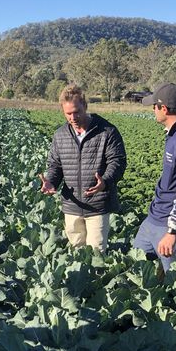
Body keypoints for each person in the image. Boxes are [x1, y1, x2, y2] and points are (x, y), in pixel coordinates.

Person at [40, 84, 127, 252]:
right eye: (68, 113)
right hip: (71, 205)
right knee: (76, 251)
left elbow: (117, 161)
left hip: (98, 204)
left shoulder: (107, 131)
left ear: (85, 107)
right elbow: (55, 165)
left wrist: (106, 181)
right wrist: (51, 181)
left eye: (76, 112)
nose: (73, 117)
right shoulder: (60, 135)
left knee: (96, 252)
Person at [134, 82, 176, 272]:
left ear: (164, 108)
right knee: (136, 268)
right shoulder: (175, 132)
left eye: (154, 106)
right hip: (154, 218)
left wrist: (173, 231)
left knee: (175, 285)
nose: (153, 110)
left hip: (170, 224)